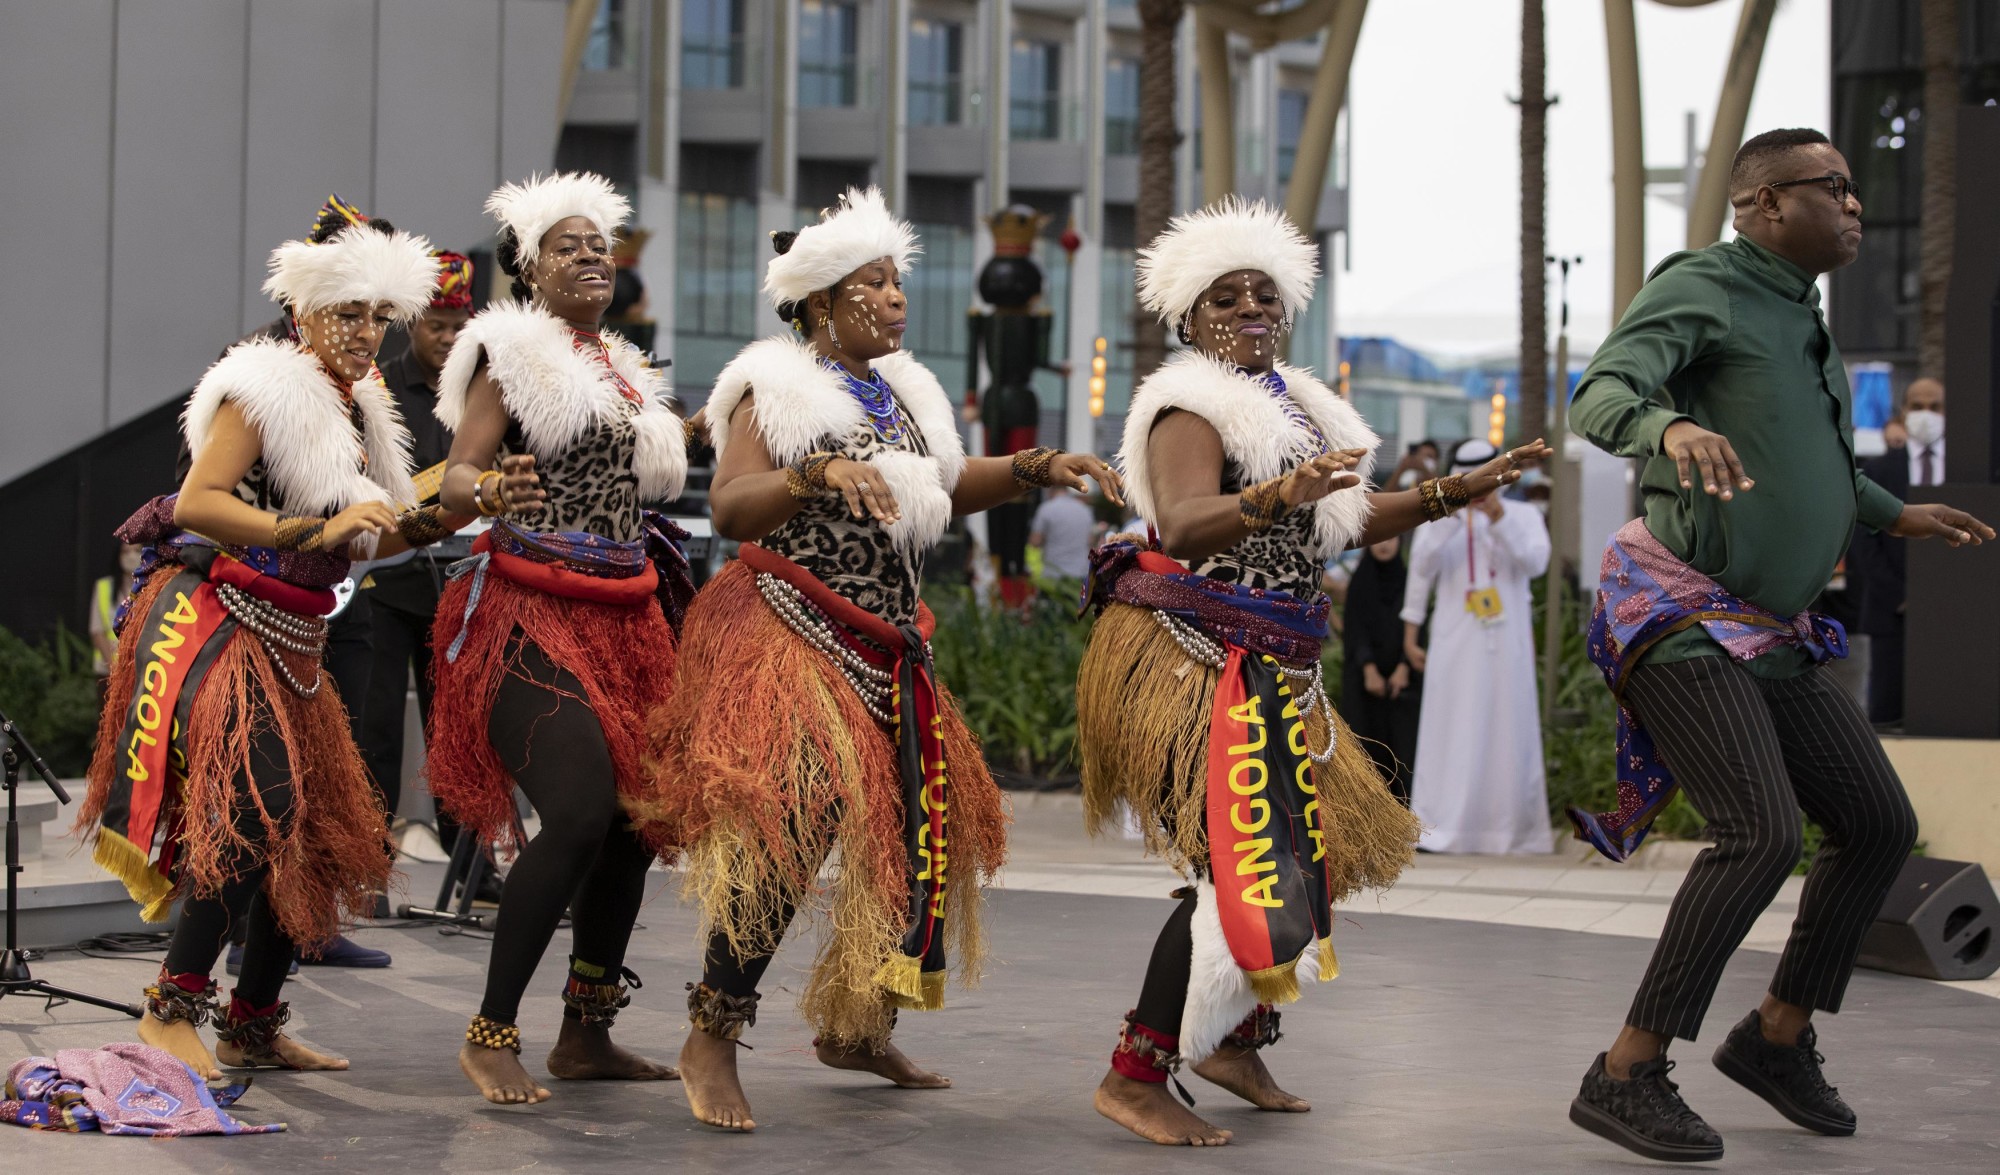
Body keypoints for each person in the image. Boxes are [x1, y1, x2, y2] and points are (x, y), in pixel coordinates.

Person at [644, 187, 1121, 1133]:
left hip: (889, 645)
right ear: (821, 301)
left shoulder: (906, 391)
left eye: (898, 279)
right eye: (874, 282)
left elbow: (945, 485)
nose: (896, 297)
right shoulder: (773, 386)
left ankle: (858, 1023)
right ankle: (712, 1036)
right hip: (793, 631)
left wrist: (1034, 466)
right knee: (786, 837)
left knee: (915, 839)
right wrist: (818, 471)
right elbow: (735, 504)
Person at [1562, 128, 1992, 1163]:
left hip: (1766, 627)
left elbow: (1808, 464)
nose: (1852, 205)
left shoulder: (1800, 314)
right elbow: (1598, 392)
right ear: (1758, 203)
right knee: (1754, 831)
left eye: (1851, 191)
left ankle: (1775, 1035)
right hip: (1671, 608)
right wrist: (1664, 429)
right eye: (1830, 188)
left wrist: (1895, 514)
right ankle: (1624, 1068)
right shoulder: (1703, 284)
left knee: (1876, 821)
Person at [1075, 197, 1544, 1147]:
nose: (1251, 307)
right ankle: (1135, 1074)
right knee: (1234, 865)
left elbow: (1350, 520)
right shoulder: (1187, 404)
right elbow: (1185, 521)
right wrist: (1276, 490)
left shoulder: (1296, 400)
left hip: (1276, 662)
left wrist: (1457, 489)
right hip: (1197, 659)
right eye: (1226, 295)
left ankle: (1235, 1039)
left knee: (1300, 856)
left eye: (1264, 293)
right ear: (1188, 317)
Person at [79, 212, 459, 1080]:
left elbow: (374, 537)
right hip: (220, 620)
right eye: (348, 313)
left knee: (320, 835)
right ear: (304, 308)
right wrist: (312, 525)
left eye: (378, 317)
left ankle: (250, 1023)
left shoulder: (358, 403)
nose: (367, 334)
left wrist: (466, 503)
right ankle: (171, 1006)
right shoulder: (265, 388)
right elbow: (197, 502)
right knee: (259, 809)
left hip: (295, 634)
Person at [427, 172, 691, 1106]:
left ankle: (587, 1032)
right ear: (529, 267)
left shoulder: (619, 368)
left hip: (627, 619)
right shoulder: (512, 355)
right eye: (566, 245)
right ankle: (491, 1030)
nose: (590, 256)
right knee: (579, 809)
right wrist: (489, 491)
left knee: (632, 827)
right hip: (528, 613)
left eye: (600, 244)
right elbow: (458, 473)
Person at [353, 251, 488, 892]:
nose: (449, 337)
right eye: (437, 323)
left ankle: (472, 872)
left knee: (457, 732)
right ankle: (366, 868)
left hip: (458, 583)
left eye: (459, 323)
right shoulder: (375, 386)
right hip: (385, 580)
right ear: (412, 322)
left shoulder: (481, 388)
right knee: (374, 731)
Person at [1400, 440, 1553, 854]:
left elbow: (1535, 563)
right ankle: (1442, 825)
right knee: (1452, 723)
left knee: (1507, 723)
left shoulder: (1523, 515)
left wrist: (1498, 518)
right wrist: (1410, 637)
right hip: (1453, 640)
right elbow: (1421, 573)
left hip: (1507, 642)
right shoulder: (1439, 521)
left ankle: (1509, 830)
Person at [1849, 378, 1945, 729]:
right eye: (1917, 406)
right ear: (1903, 412)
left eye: (1935, 407)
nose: (1926, 415)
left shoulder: (1966, 468)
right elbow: (1863, 538)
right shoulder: (1878, 470)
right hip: (1892, 611)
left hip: (1954, 615)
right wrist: (1900, 595)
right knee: (1888, 712)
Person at [1340, 534, 1419, 805]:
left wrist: (1404, 667)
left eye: (1391, 538)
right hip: (1365, 681)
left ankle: (1405, 813)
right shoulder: (1361, 582)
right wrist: (1368, 667)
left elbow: (1416, 625)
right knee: (1366, 747)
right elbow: (1355, 629)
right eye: (1379, 539)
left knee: (1404, 748)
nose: (1384, 544)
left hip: (1402, 682)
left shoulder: (1409, 582)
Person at [88, 544, 144, 679]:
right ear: (118, 557)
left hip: (141, 672)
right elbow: (97, 632)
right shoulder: (104, 587)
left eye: (136, 551)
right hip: (108, 672)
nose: (131, 556)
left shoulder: (151, 587)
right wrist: (115, 669)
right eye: (126, 552)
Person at [1029, 482, 1097, 580]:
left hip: (1053, 573)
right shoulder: (1085, 510)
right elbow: (1091, 541)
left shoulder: (1046, 509)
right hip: (1080, 571)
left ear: (1050, 489)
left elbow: (1035, 542)